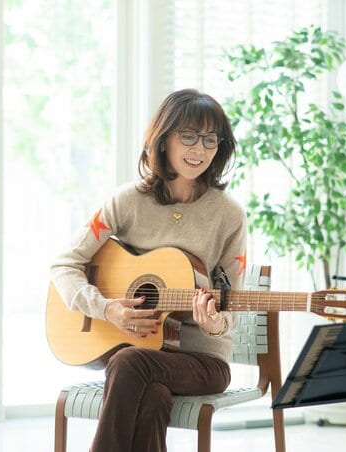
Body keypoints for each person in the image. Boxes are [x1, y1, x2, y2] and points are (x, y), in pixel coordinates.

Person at [50, 88, 247, 452]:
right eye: (189, 136)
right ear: (163, 139)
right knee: (152, 396)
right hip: (139, 353)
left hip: (202, 363)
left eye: (210, 139)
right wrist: (106, 308)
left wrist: (215, 323)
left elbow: (231, 302)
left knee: (129, 363)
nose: (200, 149)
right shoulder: (127, 202)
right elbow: (65, 264)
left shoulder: (229, 215)